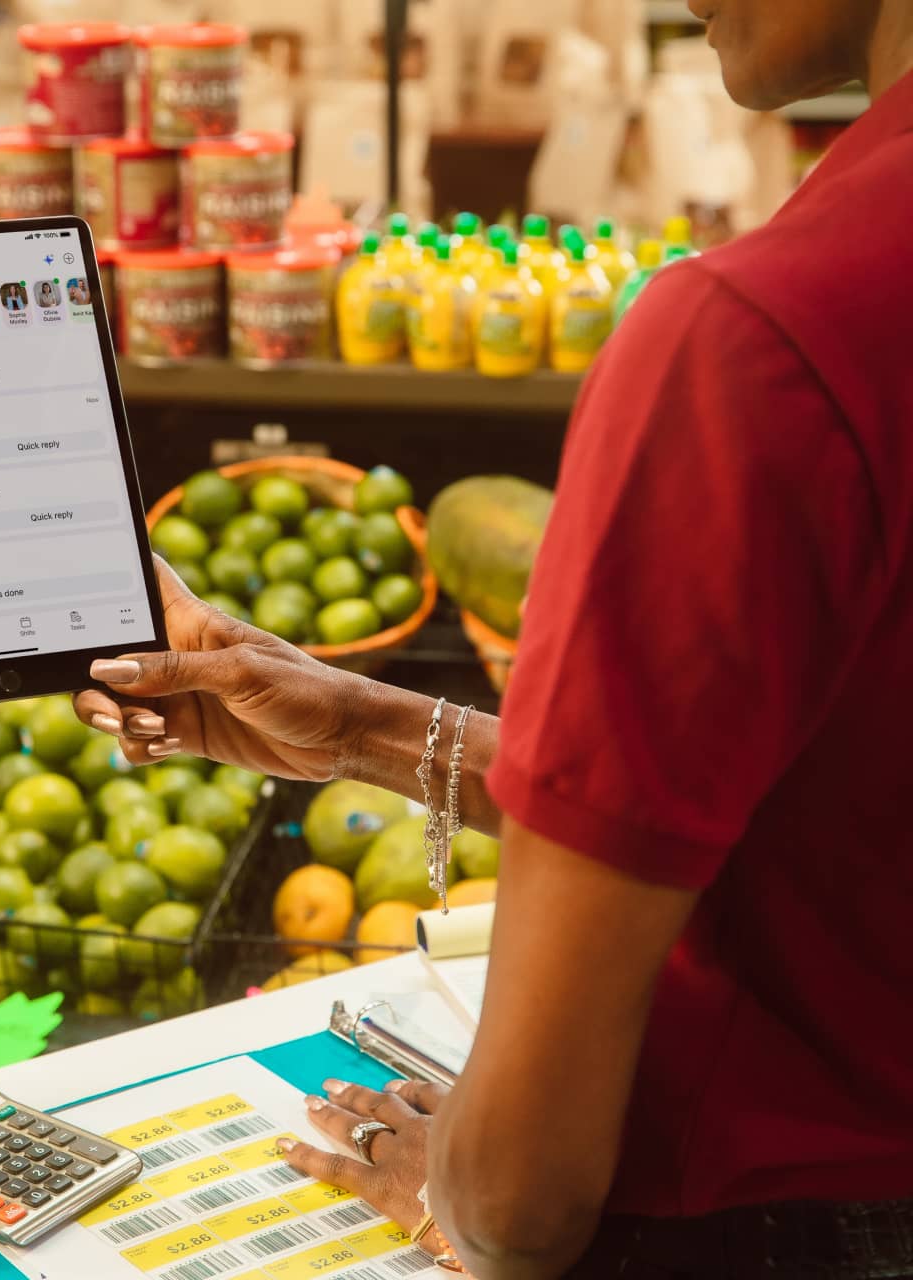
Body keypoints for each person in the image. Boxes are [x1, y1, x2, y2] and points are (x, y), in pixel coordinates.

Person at [76, 3, 913, 1276]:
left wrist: (454, 1183)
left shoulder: (752, 339)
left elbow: (520, 1199)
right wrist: (360, 722)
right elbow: (831, 822)